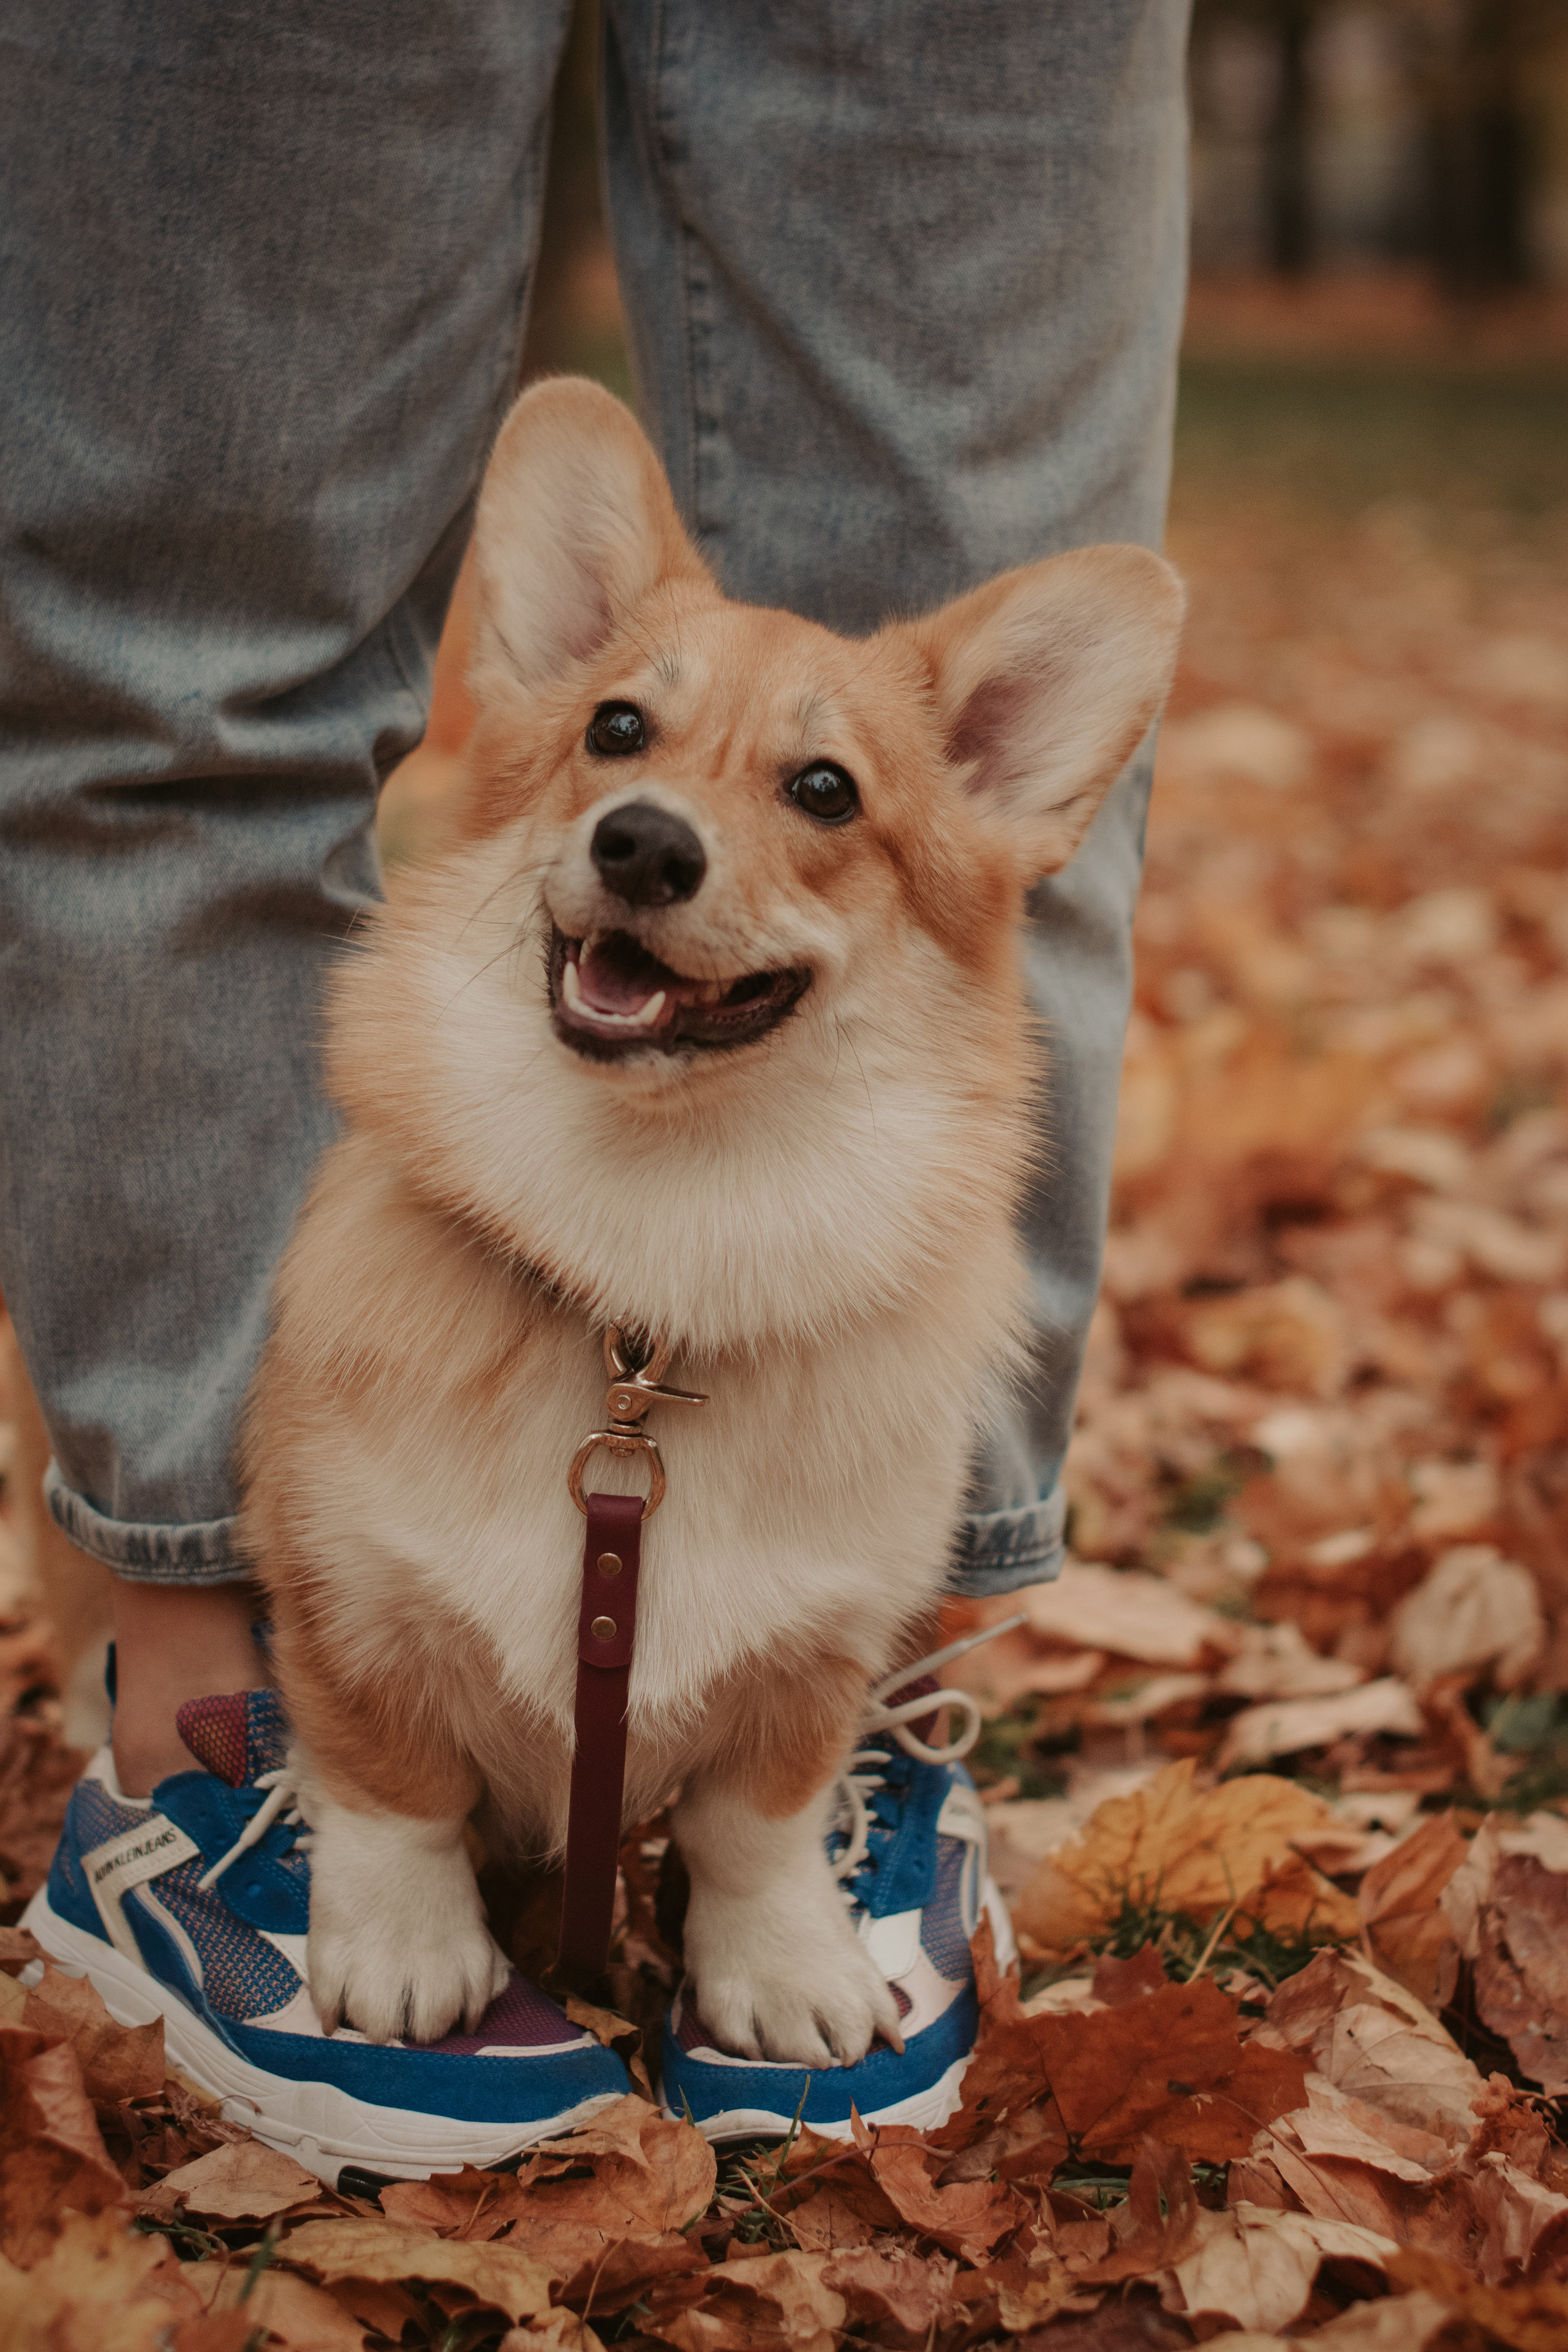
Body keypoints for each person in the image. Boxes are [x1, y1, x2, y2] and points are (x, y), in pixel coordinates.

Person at [1, 1, 1192, 2165]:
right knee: (188, 597)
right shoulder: (550, 875)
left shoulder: (961, 842)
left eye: (817, 791)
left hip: (828, 1347)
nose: (657, 834)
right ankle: (229, 1747)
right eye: (622, 742)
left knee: (975, 454)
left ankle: (795, 1807)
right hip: (416, 1404)